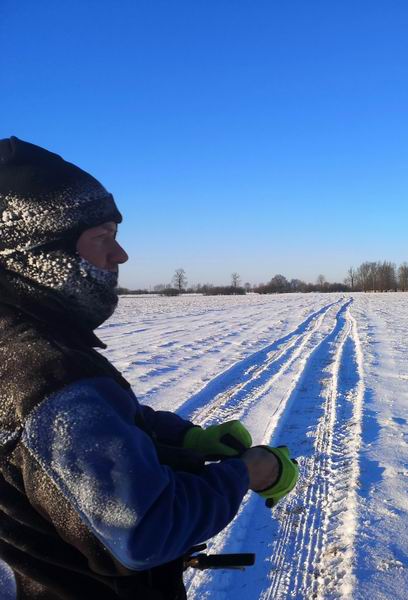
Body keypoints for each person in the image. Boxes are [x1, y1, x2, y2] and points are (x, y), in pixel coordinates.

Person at [0, 137, 299, 599]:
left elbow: (76, 434)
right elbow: (143, 532)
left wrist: (183, 438)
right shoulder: (51, 373)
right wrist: (249, 472)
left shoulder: (19, 349)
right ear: (35, 254)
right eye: (103, 238)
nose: (120, 257)